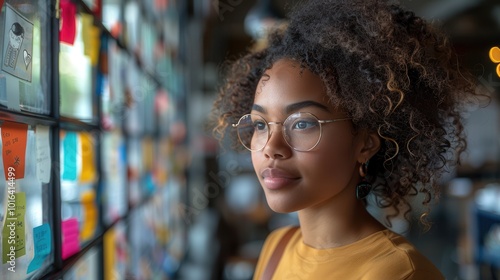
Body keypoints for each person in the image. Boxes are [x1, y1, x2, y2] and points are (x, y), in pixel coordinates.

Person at [211, 0, 481, 278]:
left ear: (365, 143)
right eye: (260, 124)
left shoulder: (398, 272)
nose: (272, 147)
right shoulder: (277, 248)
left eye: (302, 123)